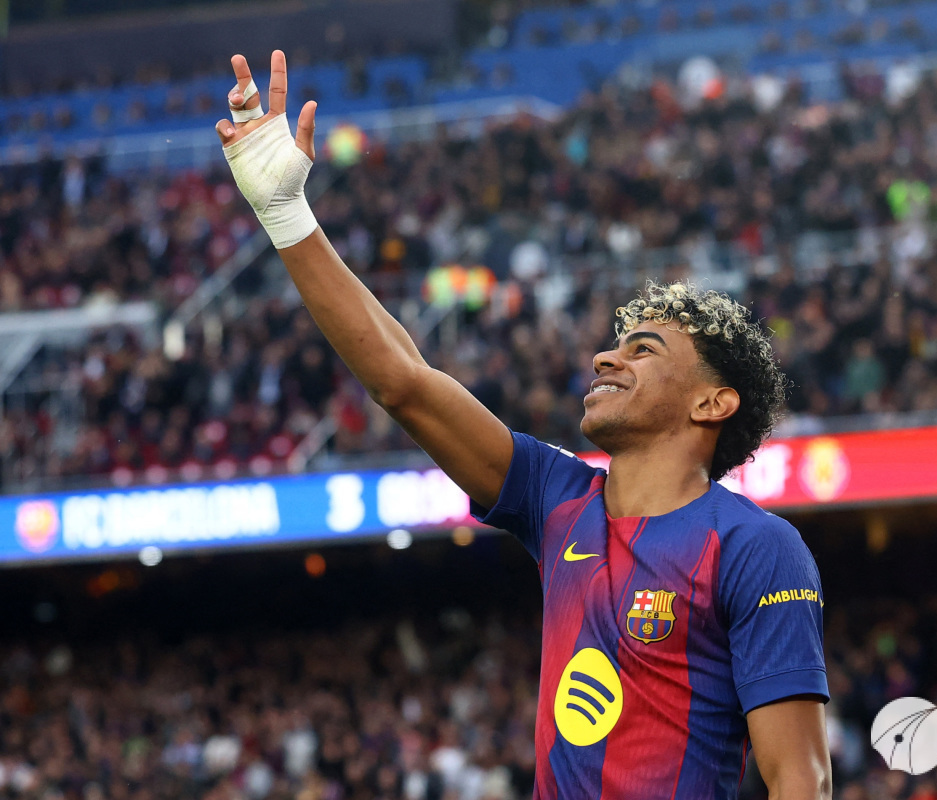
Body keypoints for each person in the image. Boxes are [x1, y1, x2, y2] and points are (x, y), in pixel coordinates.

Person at [215, 50, 832, 800]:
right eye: (616, 344)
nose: (606, 357)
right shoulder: (557, 499)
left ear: (712, 403)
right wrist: (286, 214)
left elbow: (800, 778)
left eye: (644, 349)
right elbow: (403, 382)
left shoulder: (755, 547)